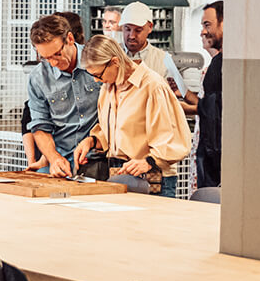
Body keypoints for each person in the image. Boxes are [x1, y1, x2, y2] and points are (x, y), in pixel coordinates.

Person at [74, 35, 192, 197]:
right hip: (120, 173)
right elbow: (112, 130)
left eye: (98, 74)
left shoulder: (152, 86)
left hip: (153, 178)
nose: (96, 80)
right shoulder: (108, 87)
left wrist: (149, 161)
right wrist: (92, 140)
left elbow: (174, 138)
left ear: (115, 62)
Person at [25, 14, 101, 176]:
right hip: (60, 157)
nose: (53, 63)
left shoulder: (97, 61)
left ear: (70, 39)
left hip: (97, 156)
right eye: (45, 58)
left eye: (57, 54)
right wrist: (54, 158)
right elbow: (40, 126)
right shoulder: (38, 78)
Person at [119, 1, 194, 104]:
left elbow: (177, 95)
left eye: (138, 30)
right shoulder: (111, 54)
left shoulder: (164, 59)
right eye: (127, 29)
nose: (131, 36)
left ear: (150, 27)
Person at [195, 1, 224, 189]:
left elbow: (215, 113)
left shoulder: (224, 64)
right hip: (210, 157)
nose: (203, 32)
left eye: (208, 25)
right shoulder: (217, 64)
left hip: (217, 162)